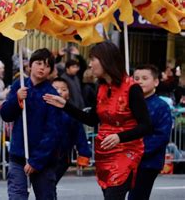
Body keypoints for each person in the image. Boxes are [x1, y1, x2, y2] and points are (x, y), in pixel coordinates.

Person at [43, 41, 152, 200]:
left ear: (106, 60)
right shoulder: (100, 87)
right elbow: (92, 120)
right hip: (104, 152)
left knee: (113, 196)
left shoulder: (132, 88)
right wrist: (65, 105)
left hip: (126, 151)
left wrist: (119, 137)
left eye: (93, 59)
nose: (90, 64)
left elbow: (146, 126)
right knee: (109, 194)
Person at [0, 48, 62, 200]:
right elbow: (6, 115)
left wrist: (36, 161)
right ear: (30, 65)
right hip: (18, 154)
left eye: (47, 66)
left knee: (46, 196)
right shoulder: (19, 85)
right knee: (16, 196)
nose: (42, 68)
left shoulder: (52, 94)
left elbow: (52, 132)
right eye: (39, 63)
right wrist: (17, 99)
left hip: (44, 160)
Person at [129, 65, 173, 200]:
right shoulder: (128, 103)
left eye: (144, 78)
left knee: (138, 196)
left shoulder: (161, 106)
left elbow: (162, 135)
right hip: (125, 159)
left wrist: (138, 151)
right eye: (136, 78)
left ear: (156, 82)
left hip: (148, 162)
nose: (140, 81)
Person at [50, 77, 91, 186]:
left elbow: (80, 134)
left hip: (63, 156)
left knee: (50, 183)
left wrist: (83, 154)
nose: (59, 92)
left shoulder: (71, 113)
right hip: (43, 155)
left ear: (68, 94)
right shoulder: (42, 110)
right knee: (47, 185)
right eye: (55, 88)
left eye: (64, 89)